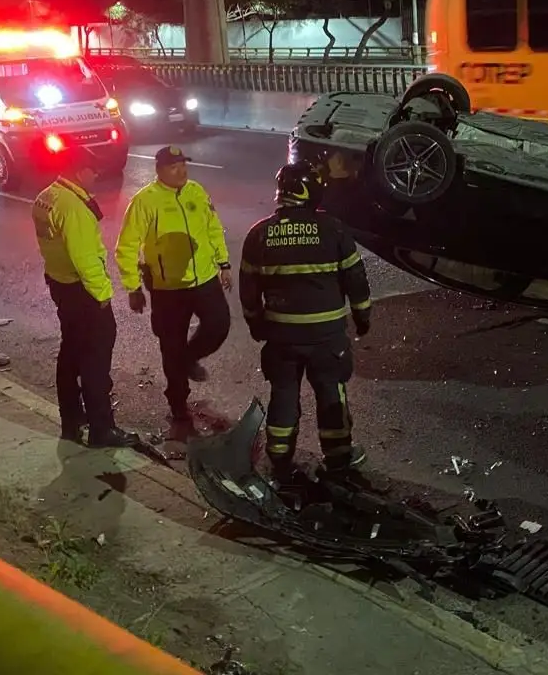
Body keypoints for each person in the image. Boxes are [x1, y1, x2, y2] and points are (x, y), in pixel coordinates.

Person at [239, 161, 372, 479]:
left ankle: (280, 461)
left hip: (281, 338)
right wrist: (362, 315)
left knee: (283, 394)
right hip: (326, 337)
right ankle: (339, 460)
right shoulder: (334, 230)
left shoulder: (258, 235)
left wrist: (257, 324)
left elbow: (248, 292)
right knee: (331, 394)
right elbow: (356, 280)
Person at [116, 144, 232, 428]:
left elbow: (212, 227)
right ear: (159, 170)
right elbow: (127, 246)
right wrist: (133, 287)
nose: (181, 171)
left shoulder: (196, 191)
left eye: (183, 165)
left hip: (203, 278)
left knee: (219, 324)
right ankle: (178, 403)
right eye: (173, 167)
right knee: (171, 345)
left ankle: (189, 357)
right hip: (168, 288)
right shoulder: (145, 201)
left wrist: (223, 262)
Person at [32, 146, 138, 449]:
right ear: (80, 171)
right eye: (93, 170)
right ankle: (102, 429)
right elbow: (85, 258)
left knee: (70, 353)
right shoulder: (73, 207)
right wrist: (103, 295)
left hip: (60, 283)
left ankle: (72, 420)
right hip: (82, 291)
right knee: (95, 362)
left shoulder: (47, 196)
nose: (97, 175)